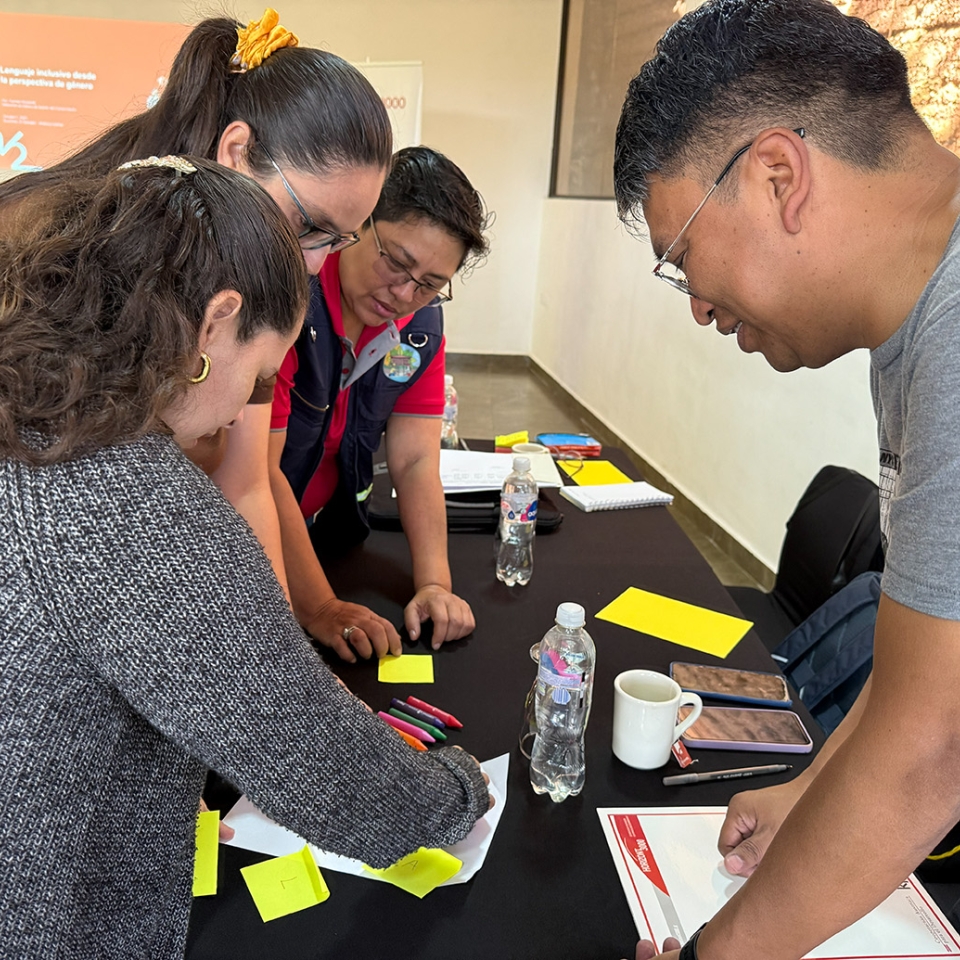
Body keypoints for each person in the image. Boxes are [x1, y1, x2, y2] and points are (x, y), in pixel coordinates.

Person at [0, 158, 491, 959]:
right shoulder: (137, 507)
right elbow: (314, 760)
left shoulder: (34, 413)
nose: (241, 412)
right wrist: (456, 794)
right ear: (213, 324)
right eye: (261, 375)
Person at [612, 0, 960, 957]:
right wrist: (810, 790)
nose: (697, 308)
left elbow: (933, 749)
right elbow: (926, 677)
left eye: (681, 258)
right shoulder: (916, 331)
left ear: (777, 176)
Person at [0, 9, 392, 598]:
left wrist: (286, 629)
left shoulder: (248, 264)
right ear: (236, 150)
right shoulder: (78, 250)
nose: (314, 264)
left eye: (338, 241)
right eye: (308, 225)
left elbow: (246, 479)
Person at [268, 146, 490, 662]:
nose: (404, 294)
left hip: (327, 530)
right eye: (396, 262)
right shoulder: (290, 298)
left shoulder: (419, 326)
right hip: (252, 537)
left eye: (430, 285)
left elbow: (414, 461)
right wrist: (320, 607)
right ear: (358, 222)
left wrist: (434, 584)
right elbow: (258, 470)